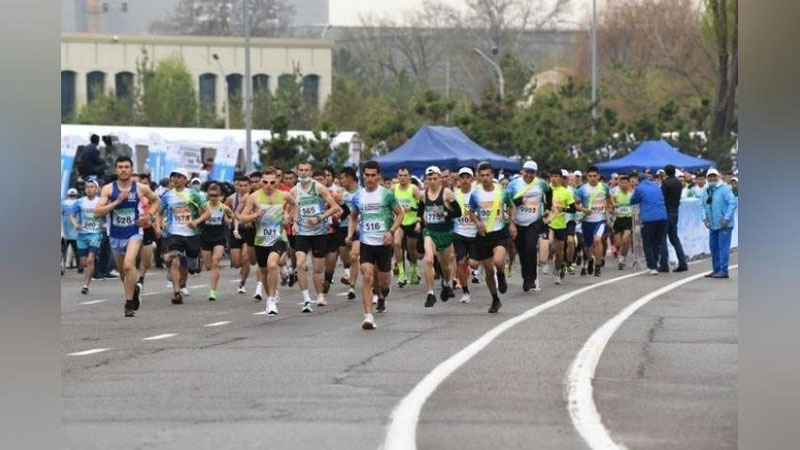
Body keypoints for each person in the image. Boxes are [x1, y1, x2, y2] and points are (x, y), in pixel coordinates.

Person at [94, 156, 161, 317]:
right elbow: (97, 212)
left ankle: (129, 304)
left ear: (131, 170)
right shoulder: (108, 189)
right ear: (116, 170)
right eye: (120, 167)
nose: (123, 170)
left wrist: (150, 216)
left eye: (126, 167)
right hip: (115, 234)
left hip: (134, 232)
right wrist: (117, 202)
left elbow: (157, 201)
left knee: (128, 264)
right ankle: (135, 290)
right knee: (124, 274)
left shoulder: (140, 188)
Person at [346, 161, 405, 329]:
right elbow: (353, 216)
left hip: (383, 243)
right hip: (366, 243)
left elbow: (400, 214)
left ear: (378, 176)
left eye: (373, 175)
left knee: (383, 281)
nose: (370, 178)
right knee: (367, 276)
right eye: (367, 175)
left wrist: (391, 232)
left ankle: (384, 292)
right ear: (363, 176)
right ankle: (368, 316)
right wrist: (350, 234)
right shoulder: (358, 196)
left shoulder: (386, 194)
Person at [239, 168, 297, 315]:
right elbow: (242, 218)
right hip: (261, 240)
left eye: (272, 182)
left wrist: (291, 218)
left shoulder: (284, 195)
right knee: (264, 273)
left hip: (279, 238)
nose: (268, 185)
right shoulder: (254, 197)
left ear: (277, 182)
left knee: (272, 265)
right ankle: (271, 295)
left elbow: (295, 205)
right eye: (265, 182)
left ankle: (271, 300)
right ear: (261, 182)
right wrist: (255, 215)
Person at [292, 161, 342, 311]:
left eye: (306, 170)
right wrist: (294, 222)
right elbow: (295, 207)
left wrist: (319, 218)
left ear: (311, 172)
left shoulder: (319, 187)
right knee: (300, 264)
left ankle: (320, 295)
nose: (303, 173)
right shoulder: (295, 190)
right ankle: (307, 299)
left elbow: (335, 207)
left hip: (319, 233)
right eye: (301, 170)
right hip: (302, 232)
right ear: (297, 172)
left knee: (318, 269)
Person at [468, 162, 515, 313]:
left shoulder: (502, 191)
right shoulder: (476, 194)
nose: (485, 178)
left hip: (499, 232)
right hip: (484, 235)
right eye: (482, 175)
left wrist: (512, 223)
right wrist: (478, 223)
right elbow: (470, 211)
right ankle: (495, 299)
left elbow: (511, 206)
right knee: (488, 271)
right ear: (478, 176)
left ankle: (501, 274)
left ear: (492, 175)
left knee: (498, 260)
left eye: (487, 175)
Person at [160, 167, 206, 305]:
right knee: (175, 261)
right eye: (173, 176)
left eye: (179, 177)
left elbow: (207, 212)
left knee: (191, 266)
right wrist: (161, 223)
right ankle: (176, 292)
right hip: (175, 233)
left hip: (192, 234)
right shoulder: (168, 195)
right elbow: (159, 212)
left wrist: (196, 222)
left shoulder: (193, 195)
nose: (175, 179)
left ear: (186, 180)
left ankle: (195, 262)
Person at [506, 161, 551, 292]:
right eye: (527, 172)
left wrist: (548, 208)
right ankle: (526, 278)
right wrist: (518, 201)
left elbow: (549, 192)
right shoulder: (513, 184)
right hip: (517, 223)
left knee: (531, 248)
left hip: (533, 222)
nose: (529, 175)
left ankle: (531, 279)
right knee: (522, 252)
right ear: (522, 171)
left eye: (532, 172)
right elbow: (505, 202)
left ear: (535, 173)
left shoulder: (541, 183)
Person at [420, 166, 461, 307]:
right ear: (426, 180)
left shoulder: (447, 193)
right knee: (429, 260)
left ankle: (447, 283)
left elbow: (458, 212)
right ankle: (430, 294)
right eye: (429, 179)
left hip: (445, 233)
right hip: (430, 232)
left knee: (446, 266)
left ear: (439, 179)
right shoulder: (423, 194)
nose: (432, 182)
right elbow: (421, 210)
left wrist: (444, 213)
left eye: (435, 179)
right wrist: (419, 221)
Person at [191, 183, 237, 301]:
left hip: (219, 237)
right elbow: (196, 218)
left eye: (215, 195)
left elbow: (232, 217)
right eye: (211, 195)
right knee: (208, 266)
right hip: (206, 237)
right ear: (208, 195)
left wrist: (229, 220)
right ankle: (200, 262)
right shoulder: (204, 207)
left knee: (216, 261)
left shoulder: (224, 208)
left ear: (220, 196)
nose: (213, 198)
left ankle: (212, 291)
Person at [575, 166, 613, 277]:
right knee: (587, 246)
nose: (592, 178)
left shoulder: (604, 187)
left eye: (595, 176)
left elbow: (609, 198)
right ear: (587, 177)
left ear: (599, 176)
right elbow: (575, 204)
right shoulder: (582, 189)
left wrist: (611, 206)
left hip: (600, 220)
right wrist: (583, 210)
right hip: (587, 221)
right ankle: (590, 259)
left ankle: (597, 266)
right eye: (590, 176)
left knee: (597, 240)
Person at [69, 180, 105, 294]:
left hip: (96, 234)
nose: (89, 189)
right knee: (83, 262)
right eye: (87, 187)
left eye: (92, 187)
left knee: (90, 260)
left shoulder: (101, 201)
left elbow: (107, 213)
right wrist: (75, 224)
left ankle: (86, 285)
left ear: (97, 189)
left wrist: (105, 224)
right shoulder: (79, 202)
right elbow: (72, 215)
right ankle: (94, 260)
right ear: (85, 189)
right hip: (82, 235)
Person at [702, 168, 738, 278]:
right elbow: (702, 205)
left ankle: (723, 270)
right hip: (712, 224)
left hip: (724, 224)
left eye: (714, 176)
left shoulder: (725, 189)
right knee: (713, 247)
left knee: (723, 247)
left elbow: (732, 203)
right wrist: (705, 219)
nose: (712, 178)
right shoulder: (706, 190)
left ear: (718, 177)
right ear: (707, 178)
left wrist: (726, 218)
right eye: (710, 176)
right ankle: (716, 269)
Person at [630, 173, 668, 275]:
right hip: (662, 217)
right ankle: (655, 263)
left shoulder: (639, 188)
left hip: (649, 219)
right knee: (657, 242)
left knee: (647, 243)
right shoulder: (656, 186)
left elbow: (633, 201)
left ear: (638, 180)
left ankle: (652, 266)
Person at [392, 167, 424, 287]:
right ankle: (401, 273)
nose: (403, 178)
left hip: (412, 222)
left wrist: (413, 210)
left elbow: (423, 205)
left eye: (405, 175)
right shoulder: (394, 189)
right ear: (397, 177)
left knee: (411, 249)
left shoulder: (413, 189)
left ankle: (414, 270)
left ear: (409, 177)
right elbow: (389, 203)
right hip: (399, 222)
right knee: (396, 243)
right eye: (400, 175)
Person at [452, 167, 480, 303]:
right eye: (462, 177)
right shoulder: (454, 195)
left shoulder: (477, 194)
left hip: (475, 233)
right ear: (459, 179)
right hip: (459, 232)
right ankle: (465, 292)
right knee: (461, 262)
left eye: (467, 177)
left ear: (472, 179)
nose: (465, 180)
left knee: (474, 264)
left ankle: (470, 266)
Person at [547, 170, 576, 284]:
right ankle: (547, 261)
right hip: (548, 222)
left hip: (560, 224)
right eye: (552, 176)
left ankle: (557, 272)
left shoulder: (566, 192)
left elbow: (573, 209)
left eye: (556, 176)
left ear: (560, 178)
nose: (554, 179)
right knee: (549, 243)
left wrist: (563, 209)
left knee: (559, 252)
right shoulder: (546, 189)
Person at [226, 176, 253, 294]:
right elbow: (224, 209)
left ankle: (242, 282)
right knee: (236, 263)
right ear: (236, 186)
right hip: (236, 231)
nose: (242, 188)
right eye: (240, 185)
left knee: (246, 258)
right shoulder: (232, 198)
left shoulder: (253, 197)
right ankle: (243, 269)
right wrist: (227, 219)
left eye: (245, 185)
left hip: (248, 231)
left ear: (249, 186)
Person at [338, 167, 361, 300]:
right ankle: (349, 274)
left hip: (358, 228)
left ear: (350, 178)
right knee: (345, 258)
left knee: (354, 256)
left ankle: (352, 286)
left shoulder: (362, 192)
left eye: (342, 178)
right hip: (343, 227)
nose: (340, 181)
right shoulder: (340, 193)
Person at [661, 165, 689, 272]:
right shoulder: (678, 183)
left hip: (666, 212)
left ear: (666, 172)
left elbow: (662, 198)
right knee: (674, 238)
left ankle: (664, 264)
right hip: (675, 211)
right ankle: (682, 262)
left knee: (663, 238)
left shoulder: (665, 183)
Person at [612, 174, 634, 269]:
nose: (624, 184)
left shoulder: (632, 195)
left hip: (628, 219)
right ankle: (620, 253)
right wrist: (613, 208)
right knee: (618, 243)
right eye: (622, 183)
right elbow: (609, 203)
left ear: (629, 184)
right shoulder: (616, 195)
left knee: (626, 239)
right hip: (618, 220)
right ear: (619, 184)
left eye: (626, 183)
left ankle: (622, 259)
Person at [62, 188, 80, 270]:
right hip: (76, 232)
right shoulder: (79, 203)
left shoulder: (63, 203)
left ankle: (63, 265)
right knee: (77, 251)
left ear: (68, 195)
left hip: (65, 233)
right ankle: (79, 267)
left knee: (64, 251)